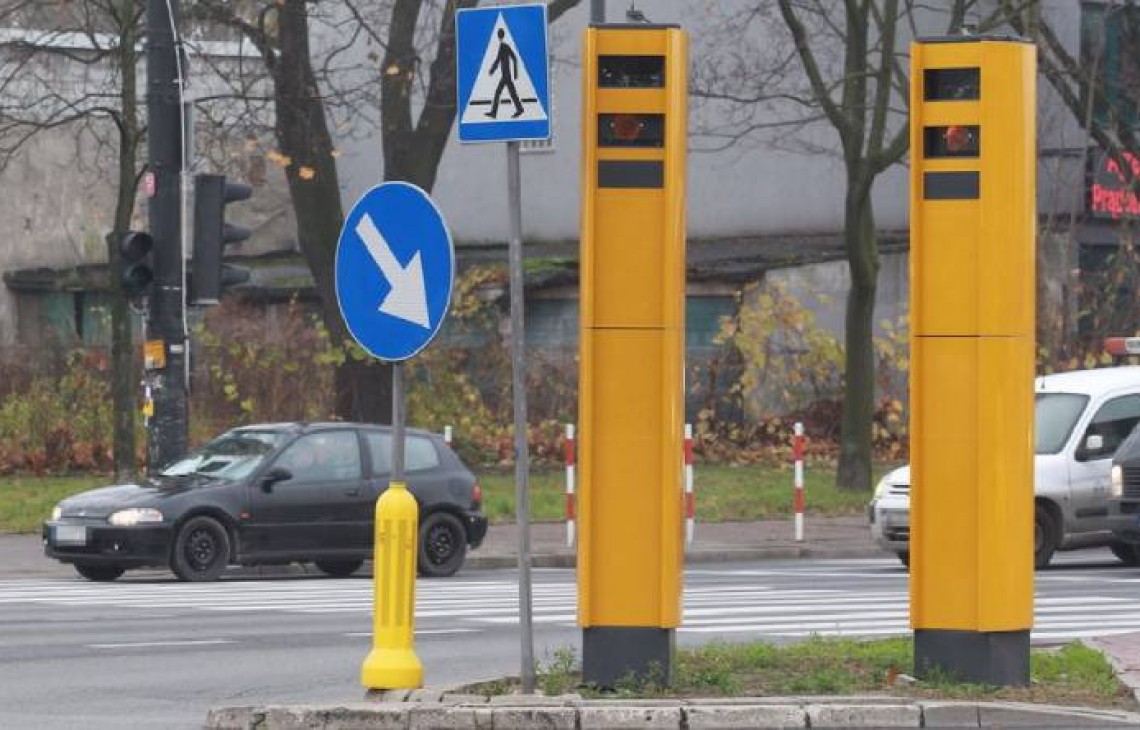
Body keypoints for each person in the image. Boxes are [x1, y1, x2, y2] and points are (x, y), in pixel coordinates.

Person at [486, 28, 524, 119]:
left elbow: (499, 60)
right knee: (511, 93)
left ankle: (494, 113)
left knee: (499, 92)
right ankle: (519, 109)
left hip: (506, 75)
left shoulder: (504, 47)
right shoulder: (504, 46)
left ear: (499, 36)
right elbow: (511, 58)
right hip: (506, 75)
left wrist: (492, 70)